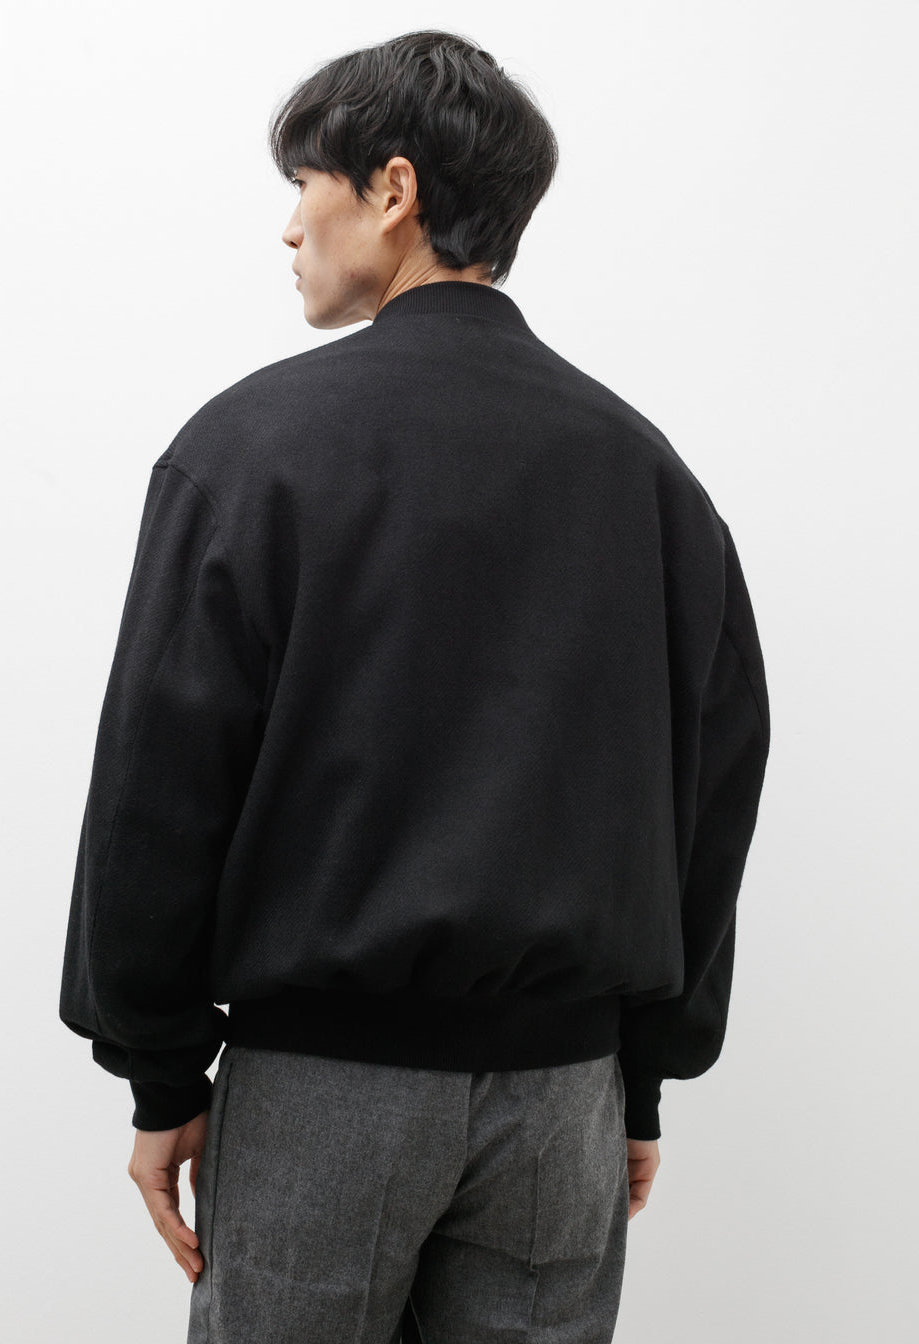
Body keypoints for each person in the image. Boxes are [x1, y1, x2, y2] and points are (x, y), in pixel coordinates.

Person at [58, 28, 770, 1344]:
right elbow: (715, 786)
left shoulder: (251, 450)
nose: (290, 228)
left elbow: (159, 781)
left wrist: (160, 1071)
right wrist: (643, 1076)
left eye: (304, 185)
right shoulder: (651, 477)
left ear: (393, 190)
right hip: (564, 1101)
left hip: (324, 1093)